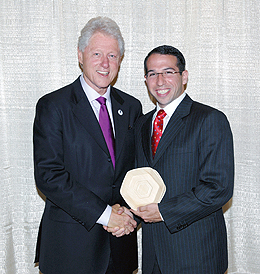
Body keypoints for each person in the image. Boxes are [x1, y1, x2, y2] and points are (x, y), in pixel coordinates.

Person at [33, 16, 142, 274]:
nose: (105, 64)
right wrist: (106, 215)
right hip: (71, 249)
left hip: (120, 246)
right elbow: (49, 176)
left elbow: (138, 171)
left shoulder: (132, 107)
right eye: (96, 53)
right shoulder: (54, 106)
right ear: (80, 55)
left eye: (113, 56)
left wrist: (130, 218)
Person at [132, 45, 234, 273]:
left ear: (184, 76)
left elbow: (218, 188)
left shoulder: (210, 119)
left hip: (196, 255)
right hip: (153, 256)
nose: (160, 81)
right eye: (152, 74)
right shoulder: (141, 125)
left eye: (168, 72)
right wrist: (127, 214)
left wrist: (164, 212)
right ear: (146, 80)